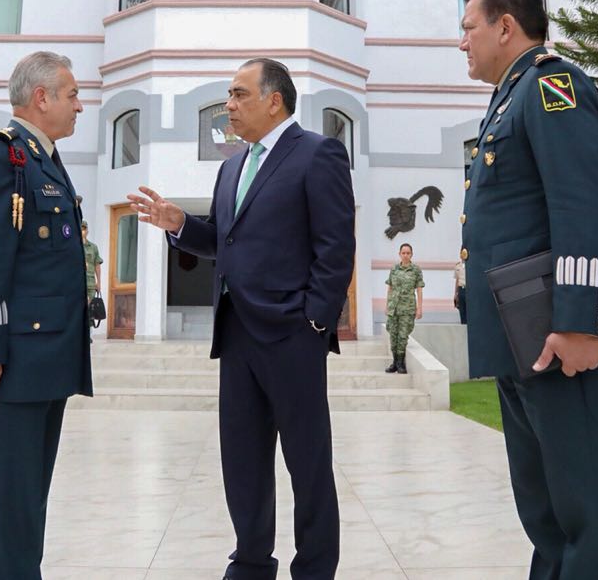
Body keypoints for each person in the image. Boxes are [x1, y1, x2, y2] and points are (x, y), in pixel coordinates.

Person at [128, 58, 354, 580]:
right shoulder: (233, 165)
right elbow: (226, 241)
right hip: (236, 334)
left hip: (293, 334)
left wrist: (315, 323)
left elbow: (336, 246)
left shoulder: (318, 154)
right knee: (244, 463)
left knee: (308, 464)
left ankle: (315, 569)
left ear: (273, 99)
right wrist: (181, 224)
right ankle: (251, 563)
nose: (228, 105)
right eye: (229, 95)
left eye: (237, 94)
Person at [459, 0, 598, 579]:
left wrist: (581, 323)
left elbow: (580, 205)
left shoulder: (551, 86)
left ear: (505, 26)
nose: (462, 43)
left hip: (556, 333)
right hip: (518, 336)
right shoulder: (510, 95)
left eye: (468, 28)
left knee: (585, 505)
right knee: (545, 509)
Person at [0, 51, 93, 580]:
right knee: (3, 510)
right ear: (42, 98)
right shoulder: (1, 156)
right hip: (6, 368)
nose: (81, 105)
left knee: (25, 507)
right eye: (73, 95)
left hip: (41, 365)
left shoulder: (44, 160)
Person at [383, 242, 424, 374]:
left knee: (402, 336)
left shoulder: (416, 270)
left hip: (407, 308)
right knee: (393, 335)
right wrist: (387, 305)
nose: (405, 255)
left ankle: (401, 363)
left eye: (408, 253)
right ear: (399, 254)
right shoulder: (394, 269)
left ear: (411, 254)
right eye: (403, 253)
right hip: (393, 308)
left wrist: (419, 308)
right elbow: (390, 287)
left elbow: (419, 290)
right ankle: (394, 362)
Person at [81, 221, 102, 301]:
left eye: (84, 229)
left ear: (87, 231)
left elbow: (97, 265)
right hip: (78, 283)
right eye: (81, 228)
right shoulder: (74, 247)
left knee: (90, 309)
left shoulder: (93, 247)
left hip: (90, 283)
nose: (82, 231)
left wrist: (99, 282)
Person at [453, 244, 467, 324]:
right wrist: (455, 294)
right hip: (461, 289)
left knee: (469, 310)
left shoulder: (470, 266)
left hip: (468, 290)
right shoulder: (458, 266)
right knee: (462, 310)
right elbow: (457, 280)